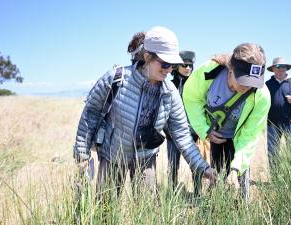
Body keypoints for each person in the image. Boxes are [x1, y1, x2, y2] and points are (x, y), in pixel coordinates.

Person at [73, 26, 216, 200]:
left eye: (172, 65)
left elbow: (182, 136)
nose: (169, 69)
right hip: (112, 157)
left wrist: (203, 167)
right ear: (147, 57)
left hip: (146, 160)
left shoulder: (170, 93)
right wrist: (82, 155)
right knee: (105, 211)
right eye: (164, 63)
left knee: (146, 212)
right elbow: (91, 115)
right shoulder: (115, 79)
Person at [183, 43, 271, 200]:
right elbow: (191, 98)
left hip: (239, 141)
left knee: (240, 182)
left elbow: (249, 135)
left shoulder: (262, 95)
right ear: (231, 69)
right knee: (217, 179)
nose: (247, 86)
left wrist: (236, 168)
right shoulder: (209, 72)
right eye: (243, 80)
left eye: (253, 82)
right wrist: (205, 130)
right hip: (217, 136)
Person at [163, 50, 201, 192]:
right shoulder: (168, 85)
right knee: (172, 166)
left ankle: (198, 194)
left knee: (196, 165)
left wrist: (196, 131)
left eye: (190, 65)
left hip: (192, 134)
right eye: (185, 65)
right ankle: (172, 195)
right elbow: (164, 110)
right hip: (172, 135)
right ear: (176, 66)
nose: (188, 68)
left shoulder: (197, 86)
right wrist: (167, 130)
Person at [265, 57, 291, 159]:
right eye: (278, 66)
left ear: (286, 68)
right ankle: (275, 174)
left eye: (283, 66)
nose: (281, 68)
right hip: (272, 124)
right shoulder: (267, 84)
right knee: (272, 153)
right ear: (273, 68)